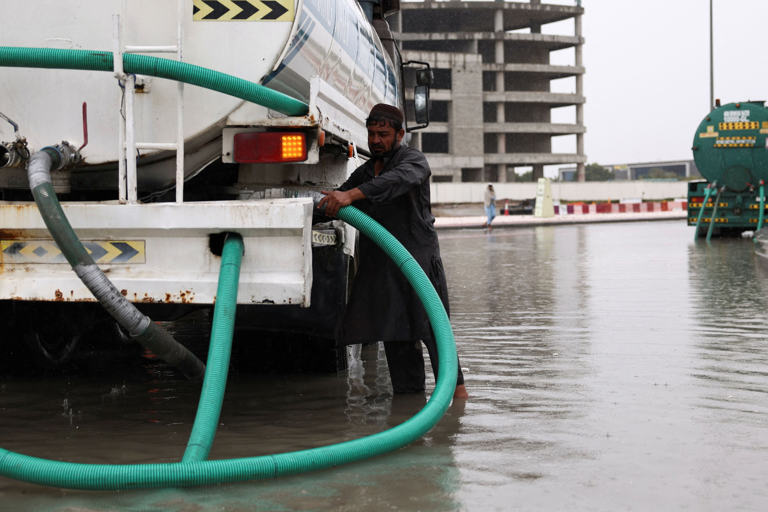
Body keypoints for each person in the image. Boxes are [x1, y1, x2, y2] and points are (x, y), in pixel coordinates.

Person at [317, 103, 468, 399]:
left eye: (383, 134)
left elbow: (399, 180)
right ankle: (408, 409)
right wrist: (318, 206)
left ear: (399, 134)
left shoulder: (413, 161)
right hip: (384, 273)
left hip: (418, 267)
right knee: (396, 339)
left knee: (436, 337)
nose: (375, 140)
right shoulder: (364, 173)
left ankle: (457, 407)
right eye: (371, 134)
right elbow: (339, 202)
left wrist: (350, 195)